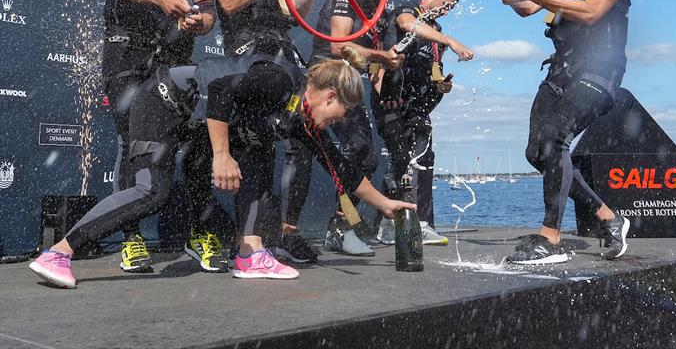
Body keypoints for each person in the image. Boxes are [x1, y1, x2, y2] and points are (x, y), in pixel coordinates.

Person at [29, 47, 415, 289]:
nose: (334, 123)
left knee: (261, 153)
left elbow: (341, 167)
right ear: (330, 95)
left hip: (196, 121)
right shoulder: (279, 80)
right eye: (338, 115)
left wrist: (384, 204)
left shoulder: (303, 114)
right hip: (163, 103)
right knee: (153, 191)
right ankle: (58, 252)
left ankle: (250, 255)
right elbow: (220, 91)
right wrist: (221, 155)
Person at [470, 0, 633, 264]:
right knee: (537, 153)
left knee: (556, 137)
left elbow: (592, 11)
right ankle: (609, 218)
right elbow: (525, 7)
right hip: (559, 72)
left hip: (598, 71)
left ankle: (550, 238)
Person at [204, 0, 330, 265]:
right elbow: (228, 1)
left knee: (282, 149)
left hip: (283, 59)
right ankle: (248, 248)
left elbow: (295, 11)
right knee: (255, 150)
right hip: (247, 57)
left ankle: (264, 242)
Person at [100, 0, 217, 273]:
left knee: (196, 138)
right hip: (128, 52)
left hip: (173, 60)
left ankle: (200, 234)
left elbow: (208, 9)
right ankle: (131, 239)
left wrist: (202, 23)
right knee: (134, 143)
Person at [286, 0, 406, 257]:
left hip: (346, 86)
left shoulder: (374, 10)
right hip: (325, 83)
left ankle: (340, 228)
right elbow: (339, 45)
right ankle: (285, 233)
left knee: (363, 155)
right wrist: (381, 57)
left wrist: (383, 79)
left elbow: (365, 58)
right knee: (300, 158)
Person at [374, 0, 473, 246]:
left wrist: (440, 87)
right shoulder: (409, 9)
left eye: (451, 9)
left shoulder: (436, 33)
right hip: (391, 101)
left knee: (424, 157)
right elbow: (408, 25)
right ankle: (390, 224)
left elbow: (430, 74)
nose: (446, 11)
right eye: (445, 5)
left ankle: (422, 222)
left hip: (418, 107)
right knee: (401, 158)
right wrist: (450, 40)